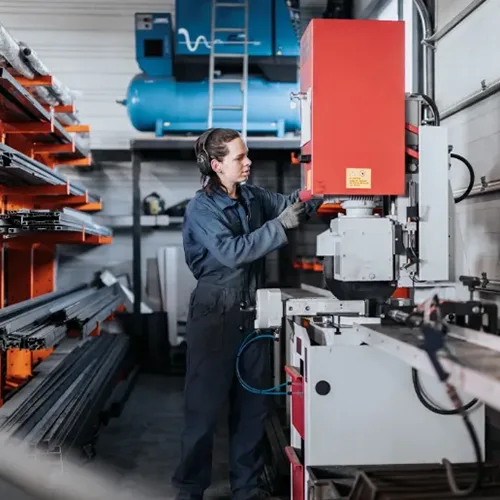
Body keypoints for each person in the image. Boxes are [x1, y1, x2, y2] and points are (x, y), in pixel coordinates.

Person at [172, 128, 321, 500]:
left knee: (253, 407)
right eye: (240, 158)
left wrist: (321, 186)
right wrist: (280, 224)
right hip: (215, 312)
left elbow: (290, 205)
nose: (248, 162)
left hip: (253, 311)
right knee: (203, 412)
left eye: (247, 154)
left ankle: (247, 488)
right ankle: (190, 490)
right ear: (216, 165)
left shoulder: (254, 197)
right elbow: (233, 252)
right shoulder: (201, 208)